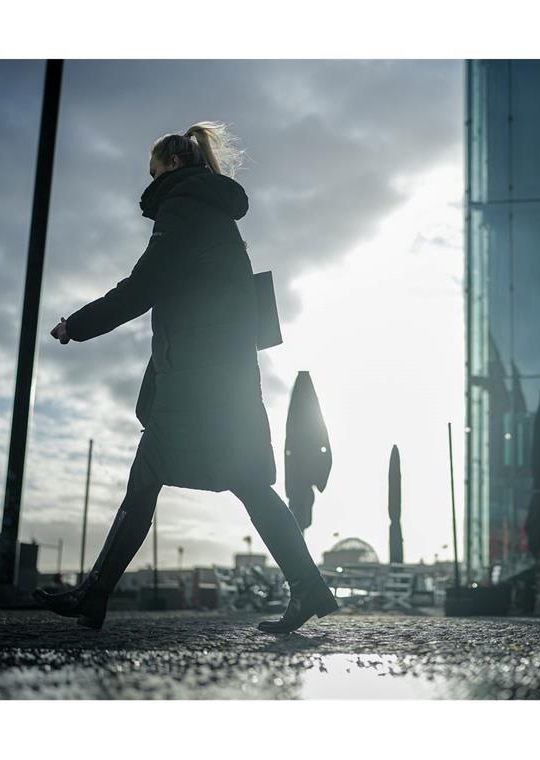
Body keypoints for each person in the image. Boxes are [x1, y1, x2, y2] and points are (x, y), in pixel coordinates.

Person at [32, 121, 337, 634]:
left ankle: (94, 595)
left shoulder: (184, 209)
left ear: (172, 166)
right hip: (228, 375)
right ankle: (308, 588)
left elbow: (143, 286)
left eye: (151, 172)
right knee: (249, 484)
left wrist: (76, 325)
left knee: (150, 477)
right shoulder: (217, 215)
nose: (148, 185)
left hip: (197, 380)